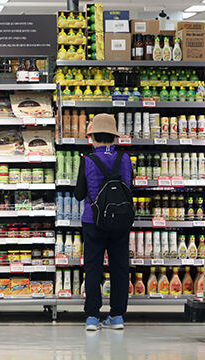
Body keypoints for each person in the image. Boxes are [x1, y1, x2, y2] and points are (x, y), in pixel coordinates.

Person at [73, 113, 134, 331]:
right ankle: (117, 316)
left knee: (93, 268)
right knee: (119, 268)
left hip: (93, 221)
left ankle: (92, 317)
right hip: (120, 221)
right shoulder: (125, 159)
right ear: (114, 137)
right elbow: (129, 189)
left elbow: (80, 194)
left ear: (92, 137)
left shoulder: (87, 160)